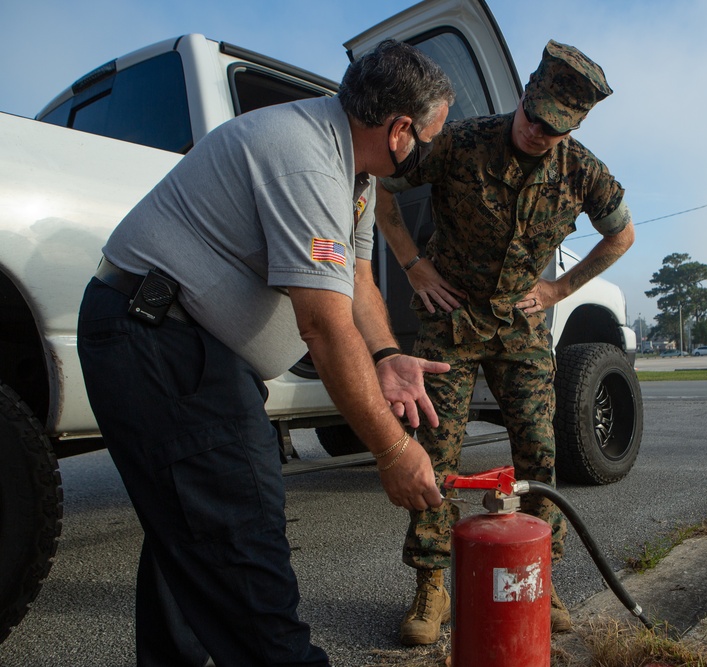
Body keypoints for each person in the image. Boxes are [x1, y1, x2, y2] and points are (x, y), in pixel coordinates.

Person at [77, 40, 455, 667]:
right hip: (158, 338)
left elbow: (356, 276)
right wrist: (392, 449)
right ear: (399, 130)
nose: (427, 153)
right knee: (240, 543)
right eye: (429, 139)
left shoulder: (355, 174)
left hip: (190, 345)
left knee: (190, 544)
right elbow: (324, 326)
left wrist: (387, 353)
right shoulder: (306, 160)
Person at [375, 40, 635, 646]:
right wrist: (413, 264)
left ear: (573, 126)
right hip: (452, 318)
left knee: (541, 452)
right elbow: (381, 192)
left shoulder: (582, 171)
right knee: (435, 453)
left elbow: (620, 235)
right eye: (533, 117)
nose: (538, 132)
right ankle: (432, 584)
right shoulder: (461, 142)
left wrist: (559, 288)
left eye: (554, 128)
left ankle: (537, 577)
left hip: (521, 329)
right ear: (523, 97)